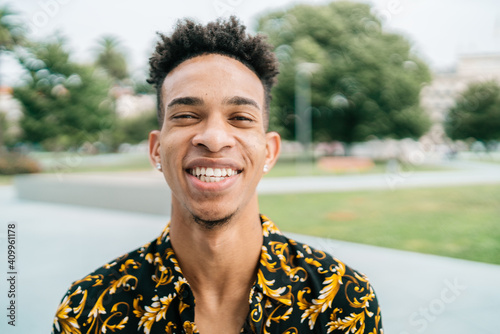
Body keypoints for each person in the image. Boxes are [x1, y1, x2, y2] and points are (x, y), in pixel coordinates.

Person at [52, 17, 382, 334]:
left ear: (269, 151)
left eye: (240, 117)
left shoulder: (344, 300)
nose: (213, 138)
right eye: (185, 115)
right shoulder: (89, 310)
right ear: (155, 150)